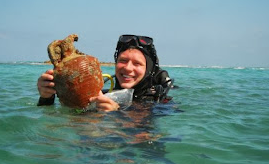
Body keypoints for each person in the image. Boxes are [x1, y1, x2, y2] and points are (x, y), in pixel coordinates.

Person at [37, 34, 174, 111]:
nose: (127, 68)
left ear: (148, 70)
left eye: (137, 63)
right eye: (123, 61)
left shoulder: (161, 103)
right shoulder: (103, 94)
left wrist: (115, 116)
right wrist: (46, 97)